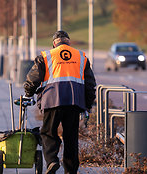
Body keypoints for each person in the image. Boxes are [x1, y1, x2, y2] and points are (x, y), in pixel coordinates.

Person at [23, 30, 96, 174]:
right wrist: (87, 104)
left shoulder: (46, 56)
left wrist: (28, 93)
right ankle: (70, 170)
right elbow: (90, 84)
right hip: (74, 102)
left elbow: (34, 78)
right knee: (71, 137)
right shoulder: (81, 57)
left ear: (54, 44)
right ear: (68, 42)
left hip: (52, 100)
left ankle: (52, 161)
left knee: (48, 132)